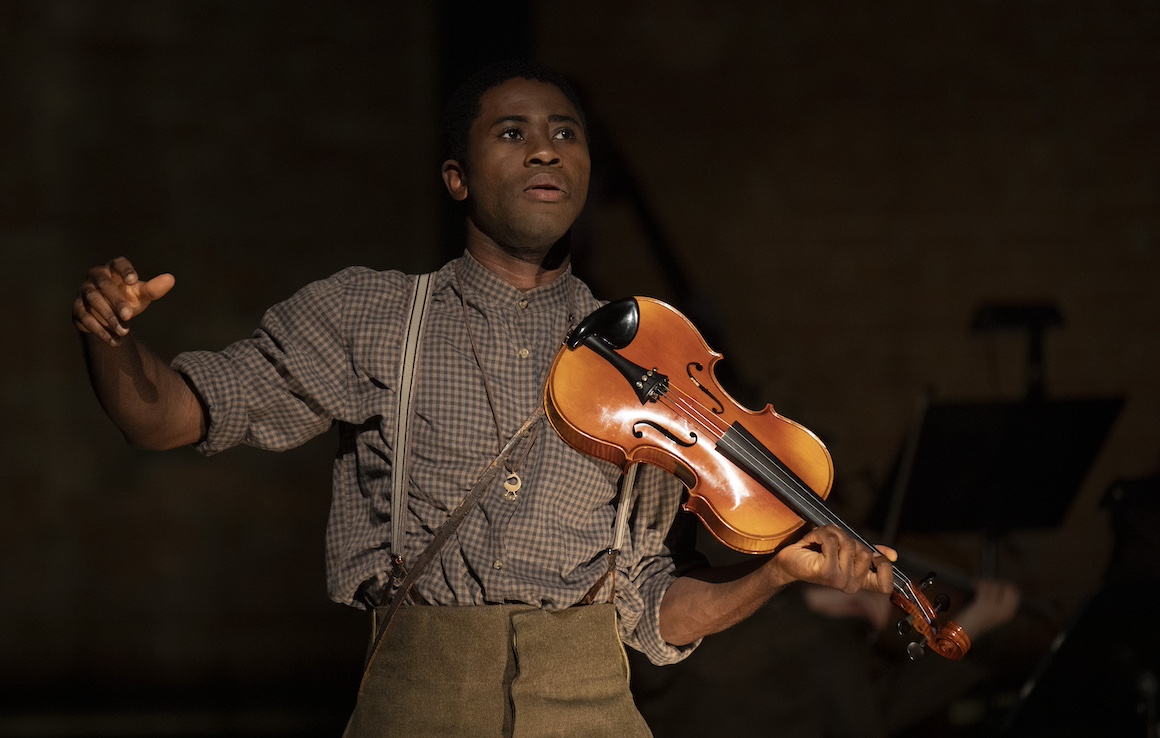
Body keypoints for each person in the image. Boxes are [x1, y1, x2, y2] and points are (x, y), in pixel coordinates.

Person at [72, 60, 897, 737]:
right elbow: (167, 415)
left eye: (564, 134)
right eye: (514, 133)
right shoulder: (371, 315)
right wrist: (111, 339)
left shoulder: (654, 368)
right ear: (457, 178)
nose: (546, 151)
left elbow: (654, 610)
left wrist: (773, 578)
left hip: (592, 715)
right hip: (416, 708)